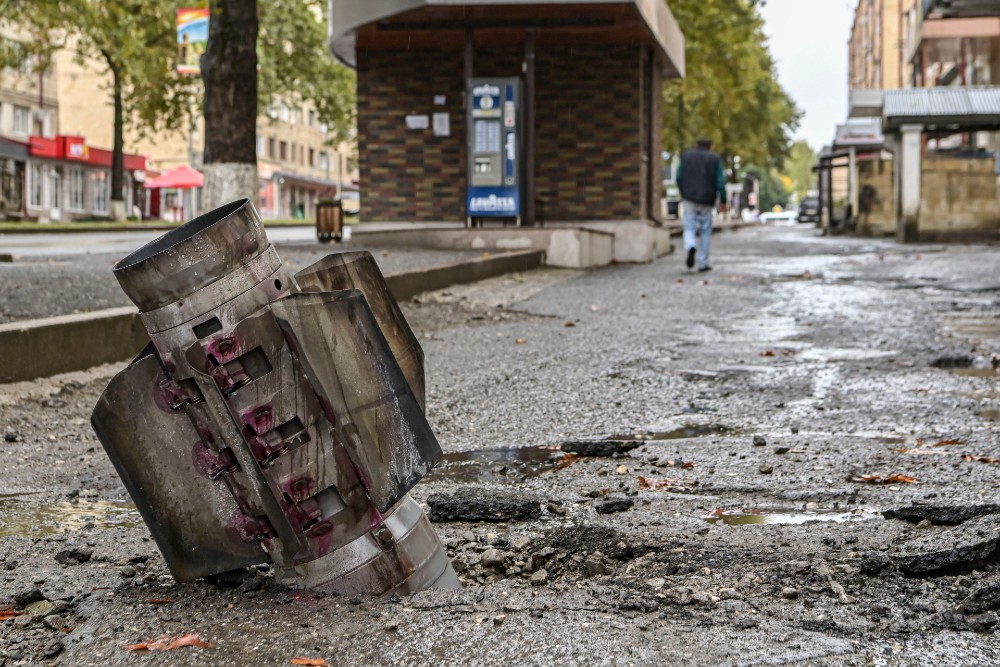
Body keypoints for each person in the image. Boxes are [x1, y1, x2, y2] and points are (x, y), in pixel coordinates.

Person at [676, 139, 727, 272]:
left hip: (689, 197)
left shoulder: (686, 156)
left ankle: (690, 246)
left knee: (689, 226)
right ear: (710, 146)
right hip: (707, 198)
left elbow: (678, 177)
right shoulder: (714, 159)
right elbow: (720, 181)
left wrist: (683, 192)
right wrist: (723, 200)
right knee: (705, 231)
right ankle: (703, 263)